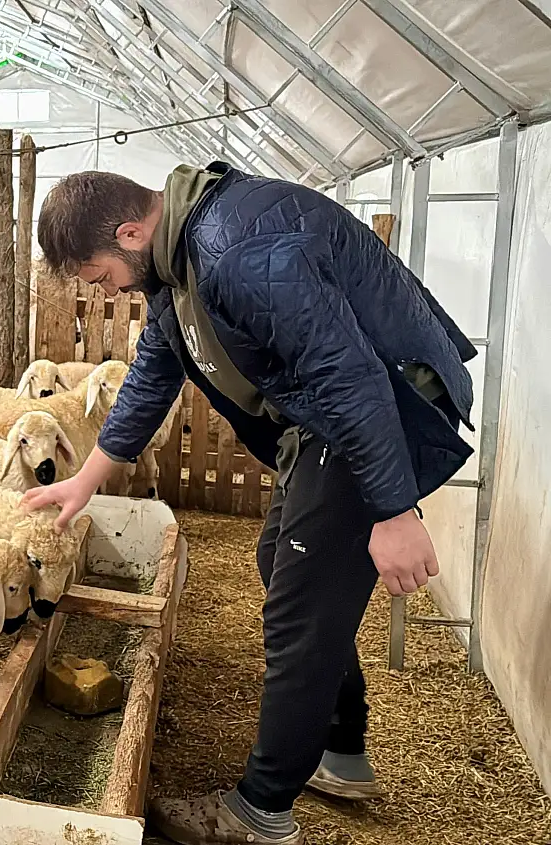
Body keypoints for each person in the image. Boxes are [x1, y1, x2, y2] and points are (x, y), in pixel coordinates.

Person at [23, 163, 475, 845]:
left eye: (99, 274)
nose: (104, 288)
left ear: (129, 230)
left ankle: (260, 812)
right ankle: (340, 748)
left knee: (299, 609)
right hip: (337, 413)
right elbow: (155, 366)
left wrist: (393, 511)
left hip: (382, 408)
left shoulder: (237, 250)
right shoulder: (176, 263)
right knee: (280, 562)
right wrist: (89, 475)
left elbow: (348, 377)